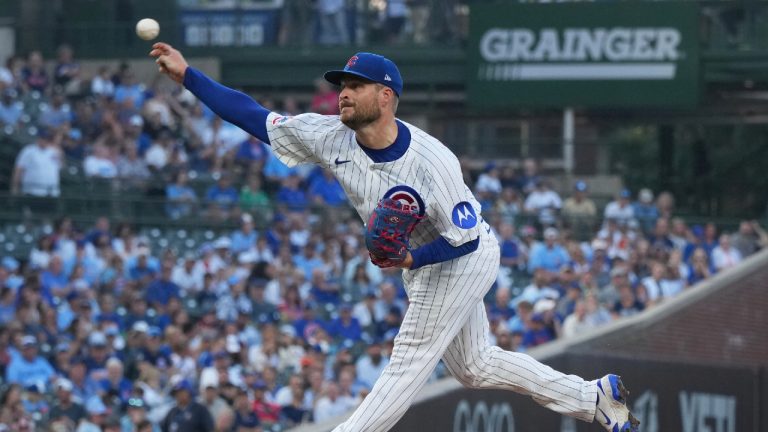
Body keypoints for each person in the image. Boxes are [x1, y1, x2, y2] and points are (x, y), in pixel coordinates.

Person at [150, 44, 639, 432]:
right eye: (341, 84)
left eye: (355, 85)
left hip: (458, 254)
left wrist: (411, 258)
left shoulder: (433, 161)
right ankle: (593, 397)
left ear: (385, 96)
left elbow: (464, 239)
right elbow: (251, 115)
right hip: (425, 260)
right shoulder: (329, 135)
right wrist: (189, 76)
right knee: (475, 366)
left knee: (408, 360)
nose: (342, 92)